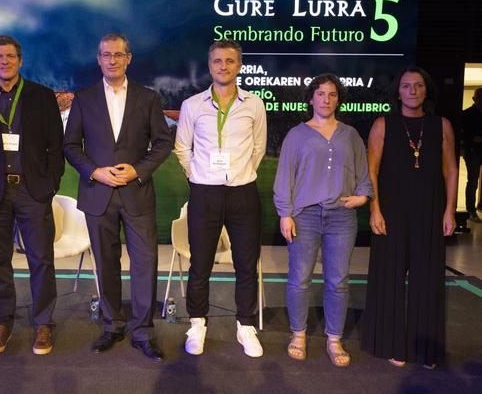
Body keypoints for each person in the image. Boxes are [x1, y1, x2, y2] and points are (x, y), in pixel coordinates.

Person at [63, 33, 172, 361]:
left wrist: (137, 170)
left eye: (118, 54)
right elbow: (71, 146)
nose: (112, 60)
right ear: (99, 59)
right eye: (106, 55)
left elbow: (162, 143)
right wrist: (95, 172)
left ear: (128, 58)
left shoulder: (148, 98)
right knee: (106, 263)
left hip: (137, 193)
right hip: (98, 194)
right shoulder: (84, 98)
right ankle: (112, 325)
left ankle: (143, 331)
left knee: (145, 264)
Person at [0, 35, 64, 355]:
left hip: (32, 192)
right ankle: (1, 322)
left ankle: (43, 323)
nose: (5, 61)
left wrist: (51, 184)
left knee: (41, 260)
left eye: (10, 56)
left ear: (20, 60)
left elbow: (56, 146)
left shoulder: (41, 97)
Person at [174, 40, 267, 357]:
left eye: (229, 61)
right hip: (204, 193)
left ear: (239, 66)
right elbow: (182, 148)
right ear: (209, 65)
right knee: (200, 264)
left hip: (243, 193)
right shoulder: (192, 105)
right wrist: (198, 176)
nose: (223, 66)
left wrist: (240, 174)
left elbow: (258, 148)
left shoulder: (254, 104)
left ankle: (246, 326)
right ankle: (197, 324)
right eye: (217, 61)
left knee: (246, 264)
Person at [273, 74, 372, 367]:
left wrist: (362, 197)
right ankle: (298, 334)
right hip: (305, 216)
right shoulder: (297, 135)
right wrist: (285, 214)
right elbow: (284, 177)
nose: (326, 99)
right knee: (300, 278)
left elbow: (363, 173)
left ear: (338, 99)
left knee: (338, 280)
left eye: (332, 94)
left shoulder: (350, 135)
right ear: (311, 98)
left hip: (341, 217)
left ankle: (334, 339)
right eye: (320, 94)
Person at [361, 66, 457, 369]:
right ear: (398, 92)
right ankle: (391, 344)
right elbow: (371, 170)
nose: (412, 91)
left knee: (427, 279)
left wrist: (450, 210)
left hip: (430, 211)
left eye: (418, 85)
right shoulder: (383, 124)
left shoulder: (442, 125)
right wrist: (375, 209)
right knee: (388, 277)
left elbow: (451, 170)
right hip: (391, 211)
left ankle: (425, 349)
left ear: (426, 91)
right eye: (406, 86)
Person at [462, 87, 482, 222]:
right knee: (473, 181)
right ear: (474, 99)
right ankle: (471, 210)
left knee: (473, 181)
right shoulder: (466, 114)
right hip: (472, 151)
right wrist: (472, 139)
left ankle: (479, 206)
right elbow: (462, 134)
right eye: (480, 97)